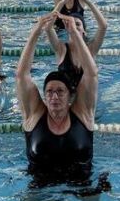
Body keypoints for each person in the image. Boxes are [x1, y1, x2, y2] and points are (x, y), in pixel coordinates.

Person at [17, 13, 99, 183]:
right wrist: (36, 31)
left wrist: (76, 34)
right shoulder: (34, 115)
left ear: (70, 96)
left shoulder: (83, 113)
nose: (54, 96)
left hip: (83, 184)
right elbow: (21, 75)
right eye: (49, 92)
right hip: (40, 187)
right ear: (44, 96)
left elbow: (91, 74)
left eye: (60, 91)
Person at [45, 0, 107, 77]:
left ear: (84, 31)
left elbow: (103, 26)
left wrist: (88, 2)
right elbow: (48, 28)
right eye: (71, 23)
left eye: (77, 24)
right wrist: (62, 2)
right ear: (66, 27)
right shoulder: (61, 48)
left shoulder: (91, 48)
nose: (74, 26)